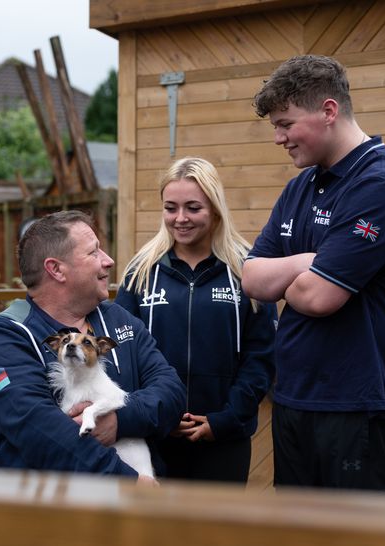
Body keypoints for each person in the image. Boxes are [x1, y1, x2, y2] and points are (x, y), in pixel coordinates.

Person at [241, 55, 385, 493]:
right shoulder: (300, 187)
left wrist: (294, 274)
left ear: (328, 111)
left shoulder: (382, 186)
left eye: (286, 123)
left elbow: (319, 298)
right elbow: (251, 279)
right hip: (295, 399)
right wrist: (308, 261)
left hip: (359, 409)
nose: (278, 138)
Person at [0, 210, 186, 482]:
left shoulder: (119, 319)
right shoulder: (7, 336)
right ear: (56, 269)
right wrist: (126, 482)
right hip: (46, 514)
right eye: (93, 252)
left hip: (135, 509)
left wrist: (120, 421)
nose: (108, 261)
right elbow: (41, 432)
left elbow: (172, 393)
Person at [114, 157, 276, 483]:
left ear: (215, 208)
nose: (180, 218)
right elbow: (122, 354)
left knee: (213, 535)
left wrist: (225, 419)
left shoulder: (247, 270)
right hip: (155, 437)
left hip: (223, 439)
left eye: (193, 208)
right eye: (170, 208)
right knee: (155, 534)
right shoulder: (140, 272)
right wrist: (157, 414)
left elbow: (262, 357)